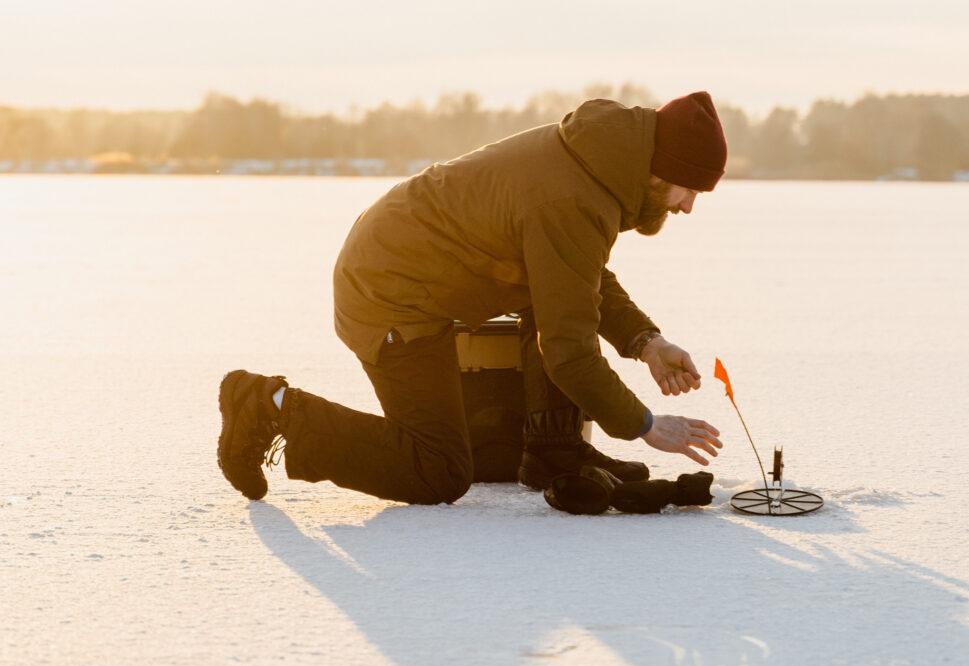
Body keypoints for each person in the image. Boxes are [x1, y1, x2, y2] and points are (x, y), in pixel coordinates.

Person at [217, 91, 727, 505]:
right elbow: (569, 350)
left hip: (412, 266)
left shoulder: (598, 163)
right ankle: (268, 406)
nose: (687, 207)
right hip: (390, 292)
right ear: (662, 167)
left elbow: (574, 276)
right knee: (436, 470)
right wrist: (645, 425)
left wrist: (646, 341)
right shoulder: (573, 198)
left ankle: (555, 451)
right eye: (691, 190)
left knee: (551, 301)